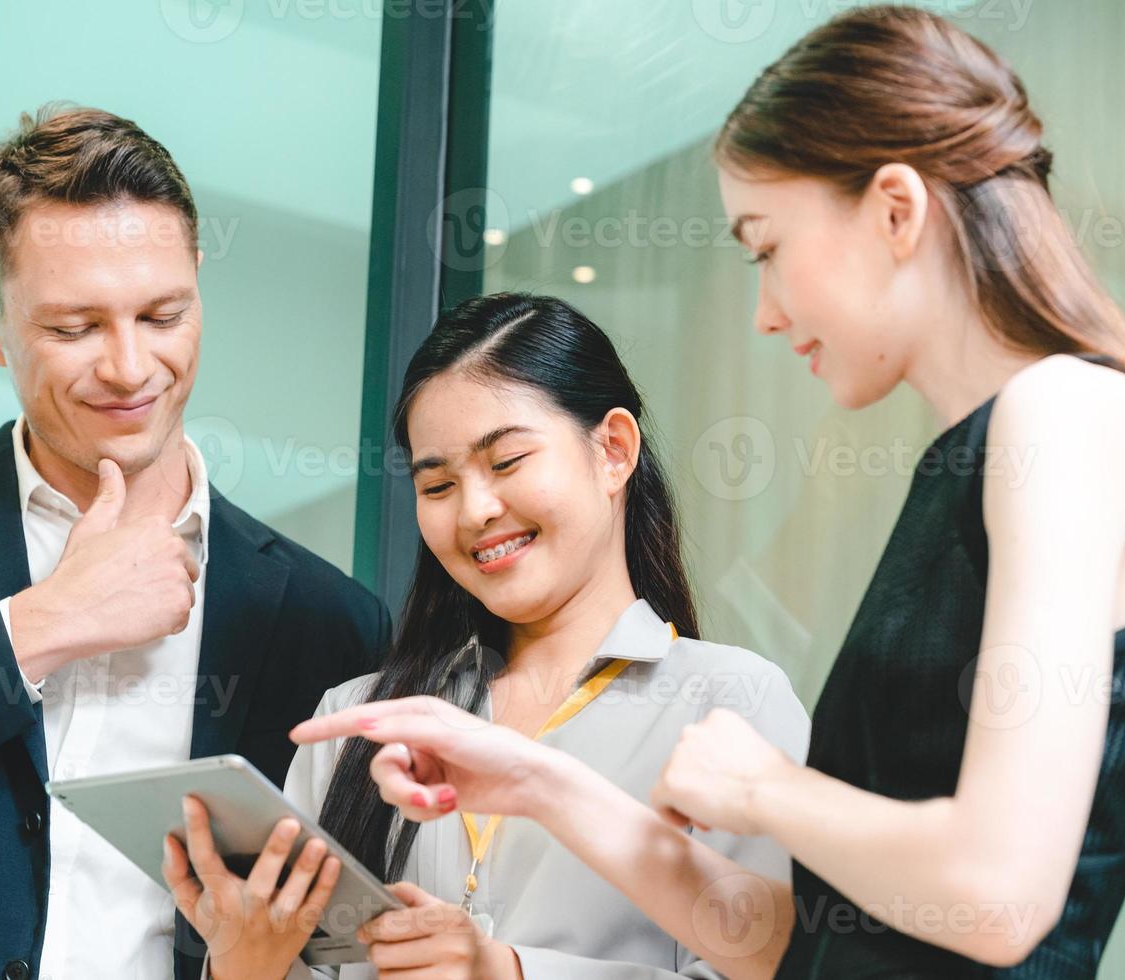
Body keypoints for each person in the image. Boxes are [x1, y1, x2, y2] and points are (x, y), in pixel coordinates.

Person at [291, 7, 1125, 979]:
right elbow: (793, 943)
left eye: (767, 246)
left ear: (895, 210)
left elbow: (1000, 895)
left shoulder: (1062, 415)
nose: (766, 310)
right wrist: (538, 781)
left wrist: (764, 787)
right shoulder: (982, 453)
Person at [0, 105, 390, 980]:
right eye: (73, 328)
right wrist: (40, 626)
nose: (127, 367)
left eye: (161, 315)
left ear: (199, 285)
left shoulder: (328, 618)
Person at [165, 292, 811, 979]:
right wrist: (242, 964)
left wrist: (507, 971)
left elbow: (780, 970)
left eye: (506, 463)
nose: (475, 511)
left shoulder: (730, 703)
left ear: (614, 450)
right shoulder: (358, 723)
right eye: (438, 486)